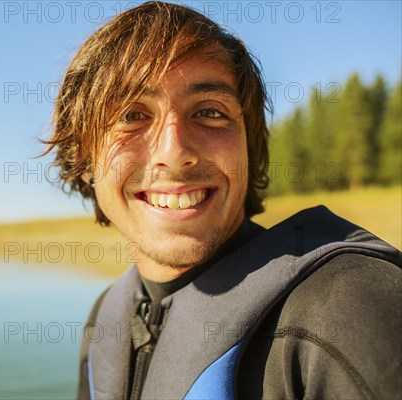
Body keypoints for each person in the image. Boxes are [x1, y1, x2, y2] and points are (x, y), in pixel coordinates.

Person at [42, 2, 401, 399]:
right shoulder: (103, 319)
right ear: (85, 161)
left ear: (249, 148)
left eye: (210, 112)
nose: (174, 151)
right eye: (131, 115)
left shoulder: (353, 305)